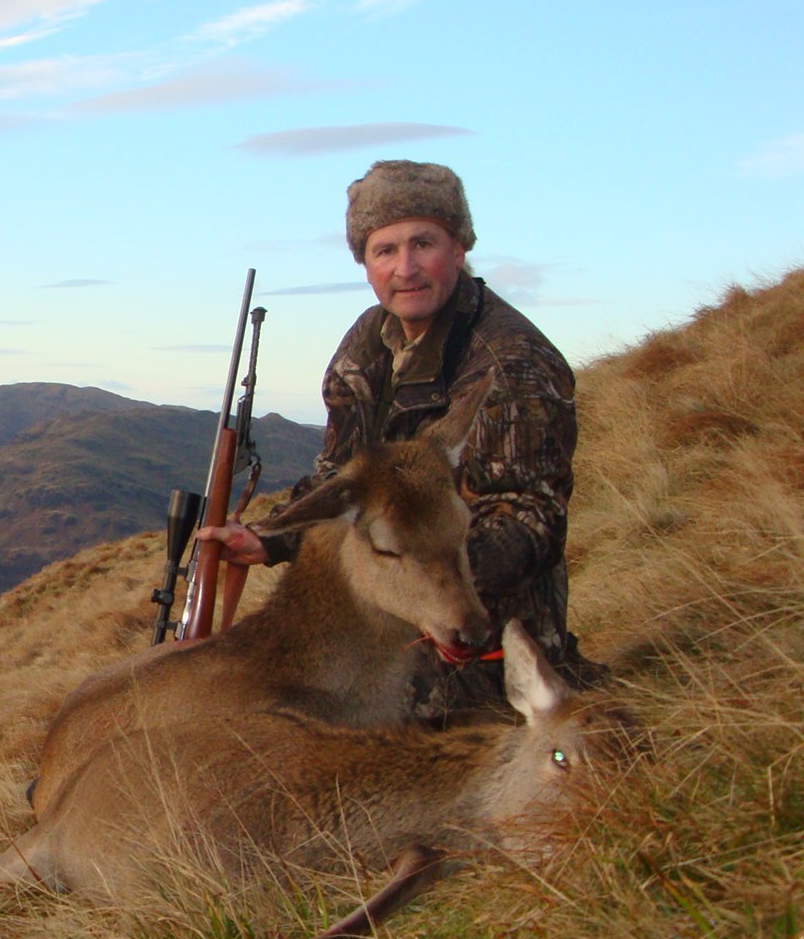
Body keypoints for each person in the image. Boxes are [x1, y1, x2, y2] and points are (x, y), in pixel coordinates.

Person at [201, 160, 581, 719]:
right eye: (385, 250)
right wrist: (269, 539)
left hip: (482, 629)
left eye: (423, 243)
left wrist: (416, 569)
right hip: (381, 607)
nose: (405, 268)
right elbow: (340, 477)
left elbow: (529, 520)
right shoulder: (367, 344)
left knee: (322, 728)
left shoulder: (512, 361)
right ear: (365, 263)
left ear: (458, 248)